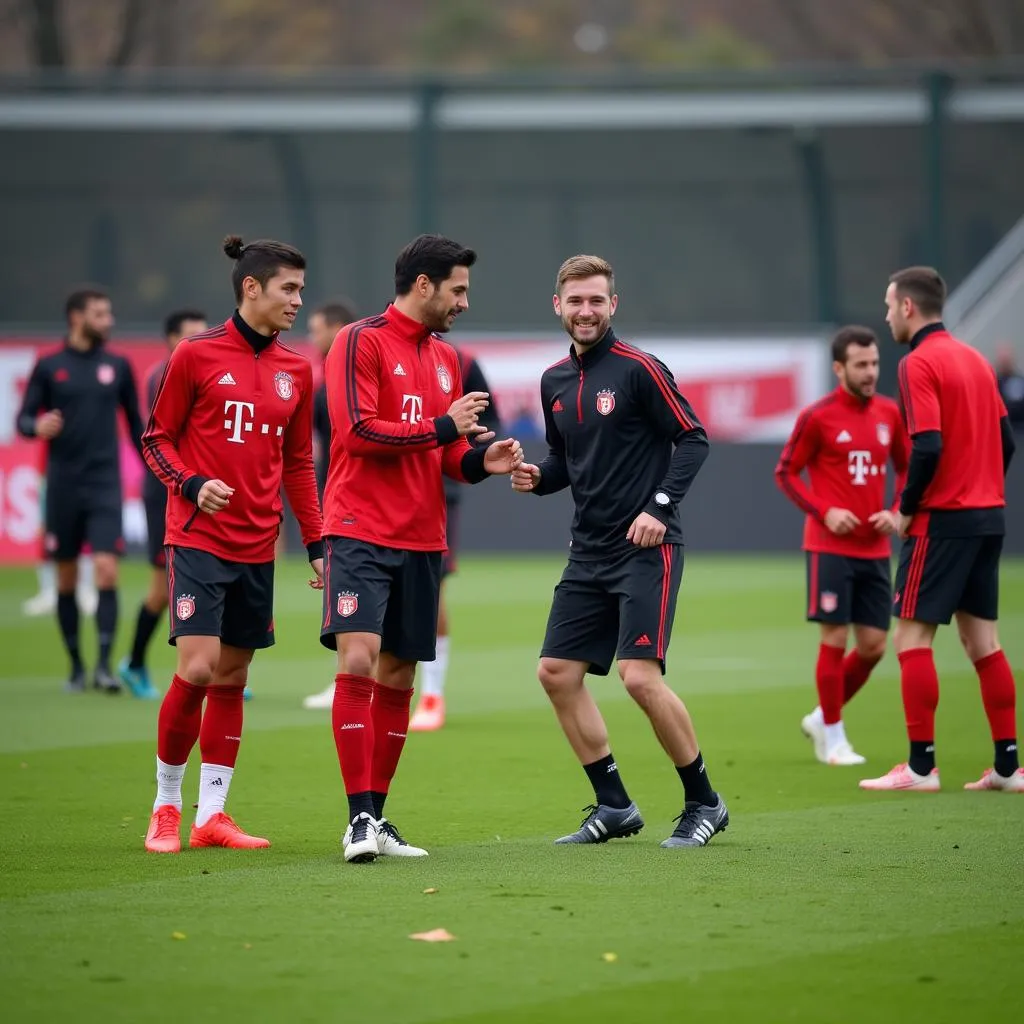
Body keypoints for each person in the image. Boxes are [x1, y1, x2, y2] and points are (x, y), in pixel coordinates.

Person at [511, 254, 727, 848]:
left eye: (596, 300)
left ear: (613, 305)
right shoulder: (554, 381)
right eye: (575, 300)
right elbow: (564, 464)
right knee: (556, 673)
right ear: (558, 305)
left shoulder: (640, 369)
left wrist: (658, 508)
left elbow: (694, 439)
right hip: (588, 551)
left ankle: (705, 802)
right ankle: (614, 806)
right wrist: (535, 476)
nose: (586, 311)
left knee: (638, 678)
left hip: (644, 549)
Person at [320, 233, 523, 863]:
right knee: (358, 660)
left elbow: (443, 455)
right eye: (458, 289)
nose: (465, 301)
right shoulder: (359, 340)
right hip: (358, 526)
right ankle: (357, 821)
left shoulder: (447, 360)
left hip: (420, 535)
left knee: (400, 675)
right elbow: (356, 432)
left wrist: (478, 460)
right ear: (425, 284)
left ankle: (378, 817)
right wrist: (444, 428)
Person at [140, 236, 324, 853]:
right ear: (252, 288)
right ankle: (166, 807)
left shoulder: (297, 369)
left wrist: (317, 543)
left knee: (233, 675)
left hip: (257, 544)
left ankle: (211, 816)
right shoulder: (193, 356)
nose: (299, 300)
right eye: (288, 289)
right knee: (195, 667)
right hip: (196, 539)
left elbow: (298, 463)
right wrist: (192, 485)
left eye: (301, 289)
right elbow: (156, 440)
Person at [860, 266, 1021, 793]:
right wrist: (981, 490)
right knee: (984, 643)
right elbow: (1007, 441)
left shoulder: (918, 363)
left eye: (889, 305)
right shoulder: (974, 358)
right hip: (988, 517)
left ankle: (921, 768)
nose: (886, 316)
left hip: (943, 521)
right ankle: (1007, 766)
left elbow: (926, 445)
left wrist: (907, 508)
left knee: (911, 637)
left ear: (908, 307)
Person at [775, 326, 909, 766]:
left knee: (873, 646)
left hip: (875, 550)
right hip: (829, 547)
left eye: (874, 363)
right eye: (861, 365)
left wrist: (897, 510)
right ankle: (834, 738)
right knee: (834, 639)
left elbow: (907, 470)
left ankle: (821, 716)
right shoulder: (818, 416)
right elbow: (787, 473)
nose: (870, 372)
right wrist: (825, 511)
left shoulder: (891, 413)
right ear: (839, 368)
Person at [16, 288, 144, 693]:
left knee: (107, 570)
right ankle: (75, 665)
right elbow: (23, 419)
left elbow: (139, 425)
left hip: (105, 483)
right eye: (100, 314)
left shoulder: (118, 365)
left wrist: (161, 469)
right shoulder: (50, 366)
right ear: (76, 318)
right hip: (64, 485)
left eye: (109, 313)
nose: (108, 320)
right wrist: (36, 427)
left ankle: (105, 666)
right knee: (66, 577)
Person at [408, 346, 502, 732]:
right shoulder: (372, 348)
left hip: (437, 491)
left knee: (432, 591)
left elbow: (491, 420)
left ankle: (431, 695)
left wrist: (476, 442)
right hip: (380, 495)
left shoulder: (459, 363)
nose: (459, 302)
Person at [117, 309, 208, 700]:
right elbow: (163, 437)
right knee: (161, 587)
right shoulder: (164, 375)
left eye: (205, 335)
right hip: (166, 491)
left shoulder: (205, 371)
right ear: (171, 339)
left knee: (209, 582)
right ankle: (134, 663)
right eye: (191, 336)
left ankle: (218, 672)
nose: (200, 342)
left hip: (198, 490)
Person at [302, 299, 358, 712]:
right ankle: (346, 677)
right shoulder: (322, 382)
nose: (311, 336)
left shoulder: (352, 374)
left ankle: (349, 680)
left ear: (337, 327)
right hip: (333, 495)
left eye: (316, 327)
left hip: (353, 503)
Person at [994, 343, 1024, 432]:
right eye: (1003, 360)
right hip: (1002, 429)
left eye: (1007, 360)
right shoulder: (994, 381)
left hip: (1019, 427)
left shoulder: (1019, 380)